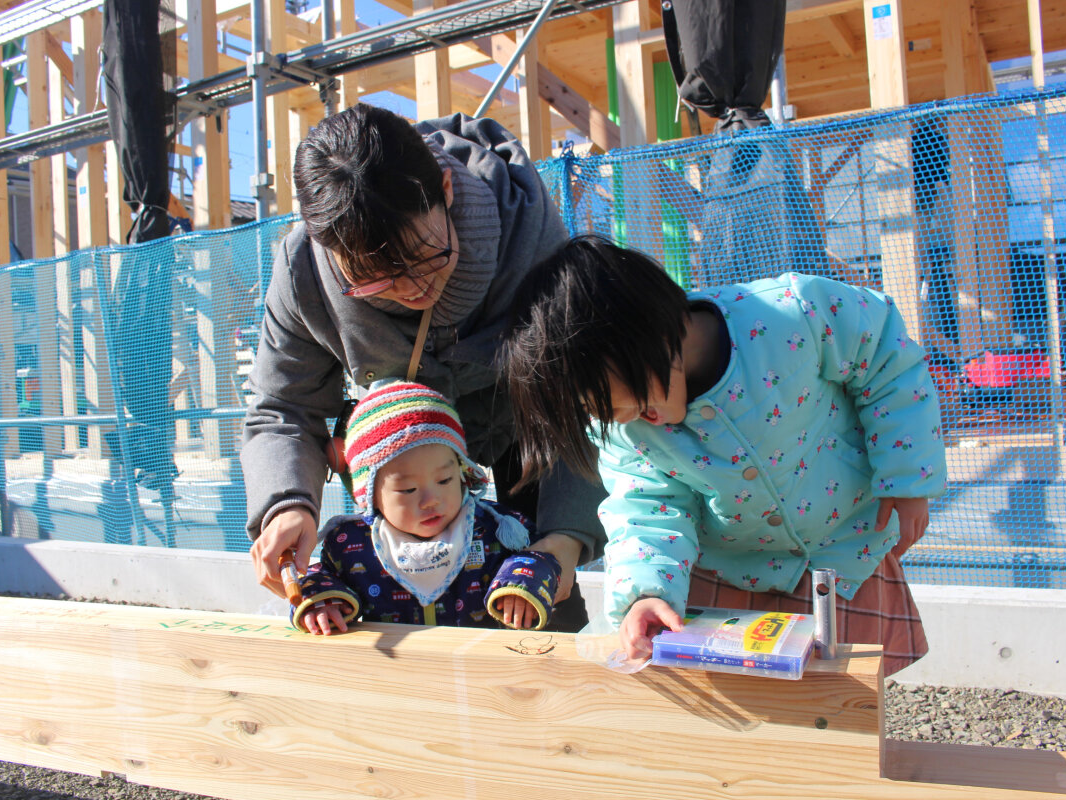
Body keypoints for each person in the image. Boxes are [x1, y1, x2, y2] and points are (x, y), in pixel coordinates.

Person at [501, 236, 947, 675]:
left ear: (639, 334)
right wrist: (644, 594)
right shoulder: (621, 427)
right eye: (594, 412)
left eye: (620, 400)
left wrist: (908, 478)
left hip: (842, 549)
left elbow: (889, 362)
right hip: (730, 572)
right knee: (750, 707)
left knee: (846, 698)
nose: (622, 418)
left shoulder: (792, 315)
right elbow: (648, 509)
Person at [241, 103, 605, 631]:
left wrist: (566, 537)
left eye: (424, 256)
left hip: (524, 432)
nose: (412, 289)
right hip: (401, 464)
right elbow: (281, 408)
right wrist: (286, 505)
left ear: (446, 189)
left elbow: (584, 396)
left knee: (542, 601)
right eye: (375, 279)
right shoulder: (304, 273)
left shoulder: (531, 239)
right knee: (393, 610)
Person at [289, 382, 560, 634]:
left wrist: (519, 584)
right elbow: (320, 575)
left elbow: (538, 554)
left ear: (463, 472)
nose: (431, 499)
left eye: (444, 480)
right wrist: (322, 601)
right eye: (408, 489)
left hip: (478, 670)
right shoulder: (352, 543)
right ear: (369, 494)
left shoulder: (492, 527)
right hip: (395, 676)